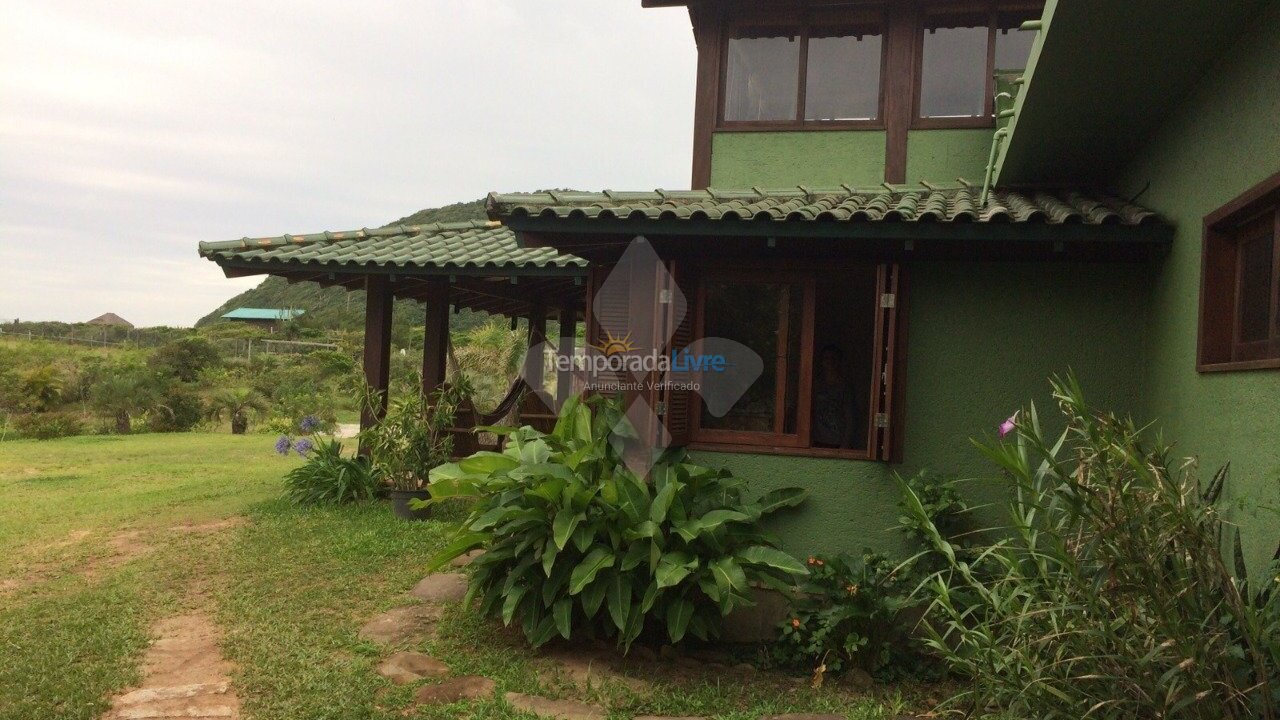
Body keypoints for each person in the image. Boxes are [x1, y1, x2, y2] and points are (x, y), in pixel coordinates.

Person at [811, 345, 856, 449]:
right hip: (817, 440)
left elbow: (850, 417)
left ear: (838, 361)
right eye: (826, 358)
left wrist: (845, 445)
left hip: (837, 441)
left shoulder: (844, 387)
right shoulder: (816, 385)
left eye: (833, 358)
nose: (829, 361)